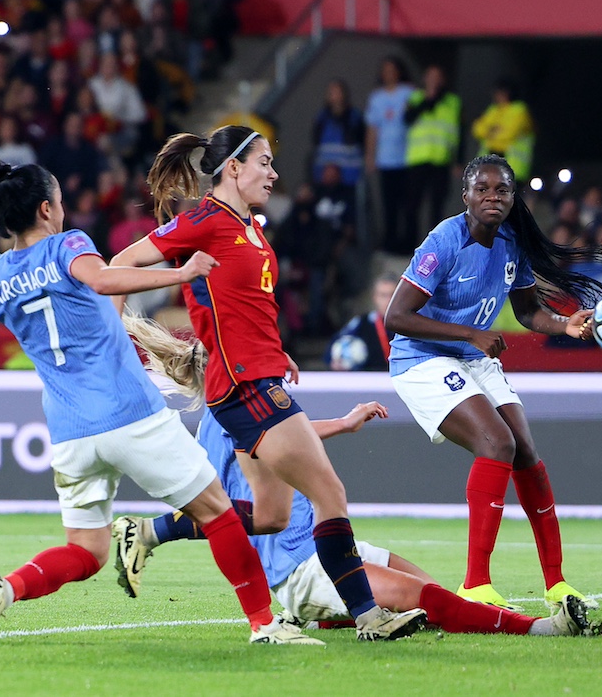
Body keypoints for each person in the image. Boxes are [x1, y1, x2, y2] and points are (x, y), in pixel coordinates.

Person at [0, 151, 315, 646]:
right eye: (58, 201)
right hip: (130, 415)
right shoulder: (67, 246)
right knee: (219, 513)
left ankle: (5, 591)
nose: (62, 209)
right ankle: (265, 626)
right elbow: (101, 279)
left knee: (87, 551)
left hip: (71, 434)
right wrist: (180, 274)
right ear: (45, 211)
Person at [108, 126, 426, 642]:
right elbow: (121, 264)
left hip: (259, 377)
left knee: (273, 516)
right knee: (330, 494)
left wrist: (277, 352)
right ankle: (370, 617)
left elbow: (249, 303)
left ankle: (147, 531)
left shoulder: (250, 226)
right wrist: (114, 351)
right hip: (244, 387)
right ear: (232, 168)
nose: (274, 173)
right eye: (263, 162)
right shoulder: (205, 221)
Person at [121, 326, 602, 637]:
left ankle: (333, 613)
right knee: (429, 600)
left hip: (329, 547)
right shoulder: (226, 418)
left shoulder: (248, 410)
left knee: (438, 598)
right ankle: (541, 629)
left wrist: (344, 423)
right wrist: (164, 528)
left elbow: (292, 437)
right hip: (303, 566)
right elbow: (223, 505)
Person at [383, 154, 602, 611]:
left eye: (502, 190)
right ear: (466, 196)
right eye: (483, 189)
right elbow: (396, 317)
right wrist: (471, 333)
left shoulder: (511, 240)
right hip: (422, 359)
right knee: (496, 443)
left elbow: (528, 312)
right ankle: (475, 584)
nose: (493, 197)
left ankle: (556, 584)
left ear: (513, 197)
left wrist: (565, 324)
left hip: (473, 357)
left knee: (525, 451)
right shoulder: (444, 241)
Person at [404, 64, 460, 242]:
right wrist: (428, 100)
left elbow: (459, 132)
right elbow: (408, 119)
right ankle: (410, 243)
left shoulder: (452, 102)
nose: (434, 81)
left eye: (438, 77)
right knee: (412, 203)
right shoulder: (415, 97)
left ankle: (436, 244)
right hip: (418, 159)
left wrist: (457, 160)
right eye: (430, 76)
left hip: (441, 160)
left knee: (438, 205)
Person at [365, 57, 416, 255]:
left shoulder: (409, 93)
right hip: (386, 159)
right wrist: (370, 155)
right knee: (389, 204)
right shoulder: (377, 98)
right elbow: (373, 128)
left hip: (407, 157)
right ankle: (390, 241)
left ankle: (408, 243)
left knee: (408, 204)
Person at [327, 274, 396, 371]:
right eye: (383, 295)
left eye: (392, 295)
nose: (388, 301)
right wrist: (335, 360)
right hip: (369, 380)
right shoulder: (362, 323)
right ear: (375, 297)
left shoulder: (409, 325)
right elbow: (336, 344)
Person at [471, 78, 534, 181]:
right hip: (490, 167)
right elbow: (477, 129)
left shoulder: (520, 111)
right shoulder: (494, 110)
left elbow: (509, 134)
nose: (497, 96)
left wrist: (490, 132)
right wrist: (495, 131)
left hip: (513, 166)